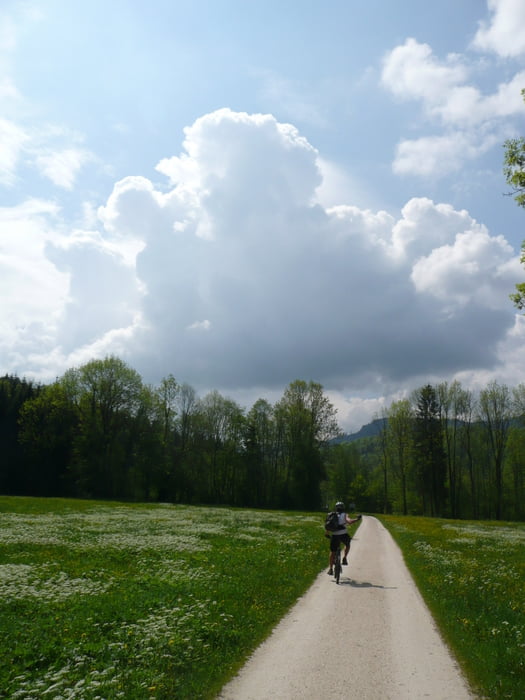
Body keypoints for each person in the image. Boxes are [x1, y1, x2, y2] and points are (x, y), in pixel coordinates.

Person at [326, 502, 361, 575]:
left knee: (332, 552)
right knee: (347, 544)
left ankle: (331, 569)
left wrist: (327, 533)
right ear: (343, 507)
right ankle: (344, 558)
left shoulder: (331, 515)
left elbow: (328, 525)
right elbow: (350, 522)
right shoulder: (345, 514)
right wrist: (357, 519)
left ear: (336, 508)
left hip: (334, 535)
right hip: (343, 534)